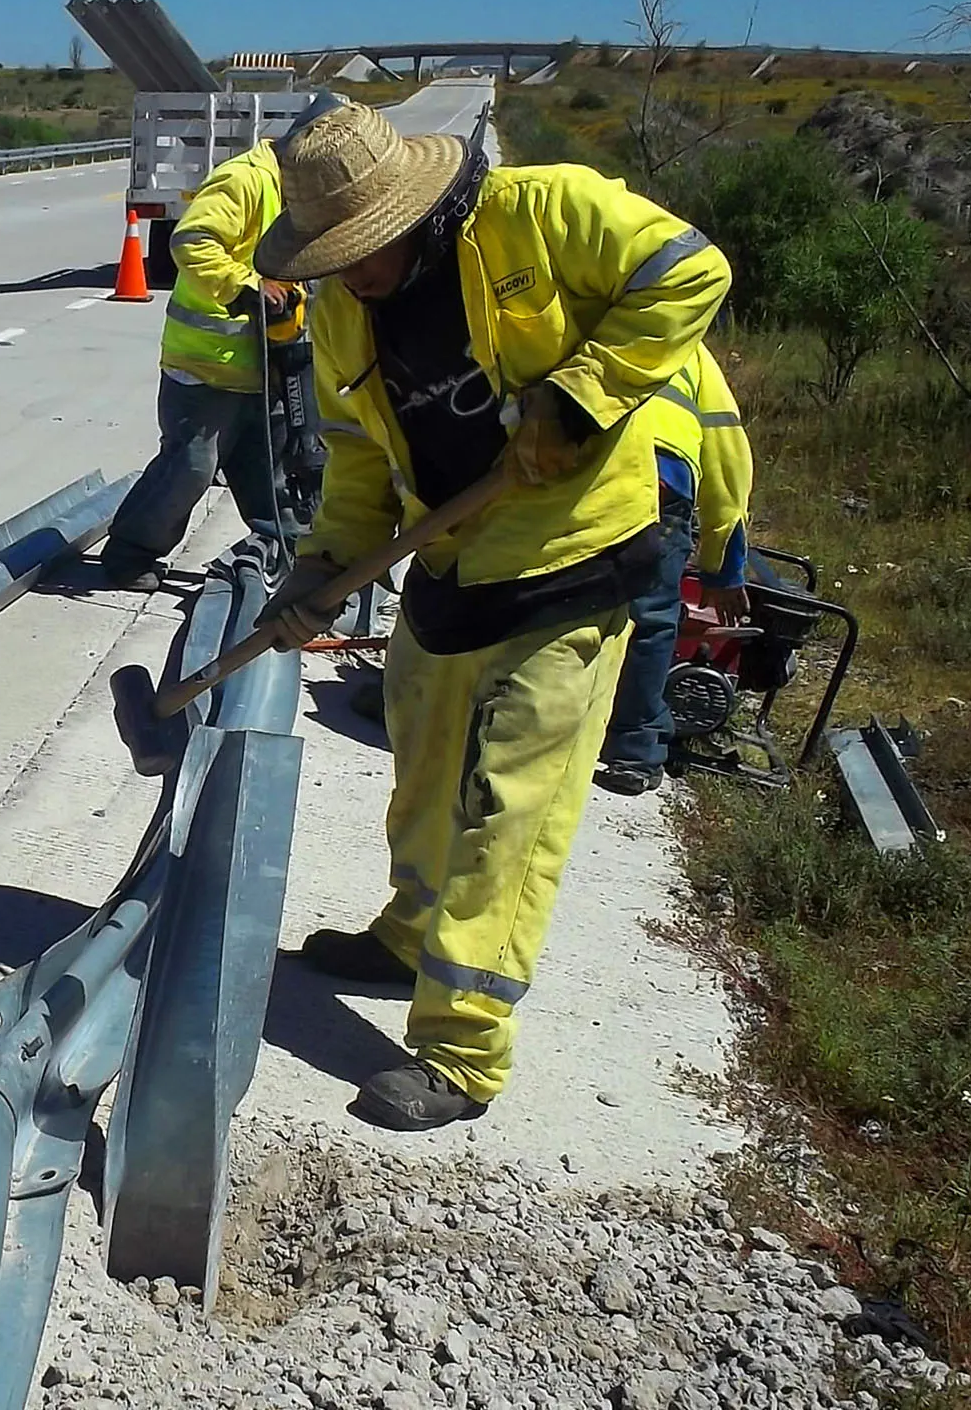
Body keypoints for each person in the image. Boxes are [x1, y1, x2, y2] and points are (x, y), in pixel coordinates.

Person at [253, 101, 731, 1131]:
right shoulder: (345, 311)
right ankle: (408, 941)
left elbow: (690, 270)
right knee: (423, 768)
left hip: (573, 559)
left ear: (413, 213)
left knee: (509, 808)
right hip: (448, 556)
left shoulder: (542, 214)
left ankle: (462, 1051)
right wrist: (325, 565)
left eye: (362, 251)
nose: (349, 274)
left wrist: (584, 393)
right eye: (330, 257)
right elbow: (359, 457)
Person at [101, 135, 294, 591]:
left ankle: (288, 553)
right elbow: (192, 240)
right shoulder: (244, 179)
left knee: (271, 468)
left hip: (267, 365)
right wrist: (246, 287)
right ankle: (129, 552)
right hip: (207, 365)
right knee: (190, 466)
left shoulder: (304, 194)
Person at [596, 344, 756, 794]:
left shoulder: (593, 311)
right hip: (662, 483)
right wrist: (723, 568)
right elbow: (728, 464)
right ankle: (635, 753)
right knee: (649, 621)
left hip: (590, 468)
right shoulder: (693, 352)